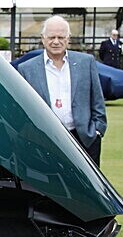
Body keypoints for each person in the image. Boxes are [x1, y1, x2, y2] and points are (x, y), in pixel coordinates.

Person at [18, 15, 106, 165]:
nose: (56, 41)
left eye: (61, 37)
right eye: (51, 37)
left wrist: (97, 131)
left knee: (85, 187)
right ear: (43, 38)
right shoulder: (27, 69)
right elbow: (22, 108)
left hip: (84, 139)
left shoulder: (86, 62)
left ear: (68, 38)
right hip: (45, 140)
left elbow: (97, 100)